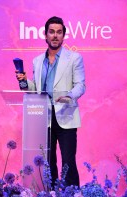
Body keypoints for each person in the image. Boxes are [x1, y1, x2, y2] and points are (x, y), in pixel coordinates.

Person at [15, 16, 85, 188]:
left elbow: (81, 85)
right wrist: (23, 81)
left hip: (65, 115)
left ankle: (72, 195)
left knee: (68, 161)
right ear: (45, 35)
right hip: (42, 117)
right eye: (52, 32)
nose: (55, 35)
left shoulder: (74, 58)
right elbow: (35, 89)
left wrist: (69, 96)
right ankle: (52, 193)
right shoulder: (38, 61)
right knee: (49, 161)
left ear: (63, 35)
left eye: (59, 32)